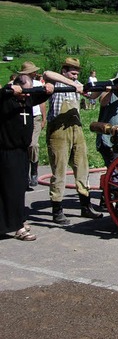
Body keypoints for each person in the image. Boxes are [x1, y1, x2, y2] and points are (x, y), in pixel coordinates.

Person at [44, 57, 103, 224]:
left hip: (76, 130)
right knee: (59, 170)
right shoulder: (57, 83)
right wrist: (72, 83)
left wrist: (106, 87)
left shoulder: (77, 85)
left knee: (82, 167)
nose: (75, 76)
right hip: (59, 131)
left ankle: (85, 206)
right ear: (64, 71)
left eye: (77, 73)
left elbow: (92, 97)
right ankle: (57, 210)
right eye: (72, 72)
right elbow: (47, 73)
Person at [0, 74, 53, 241]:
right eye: (23, 91)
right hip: (7, 152)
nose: (26, 95)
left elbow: (41, 94)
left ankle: (16, 220)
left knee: (19, 188)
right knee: (12, 190)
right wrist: (8, 89)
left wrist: (48, 90)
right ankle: (17, 227)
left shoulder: (27, 99)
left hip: (22, 152)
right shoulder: (5, 100)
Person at [17, 61, 46, 191]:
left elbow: (42, 103)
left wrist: (44, 117)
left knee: (33, 144)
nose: (34, 73)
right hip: (22, 115)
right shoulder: (19, 84)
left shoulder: (38, 85)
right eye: (31, 71)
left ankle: (34, 171)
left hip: (36, 117)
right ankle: (24, 176)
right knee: (23, 146)